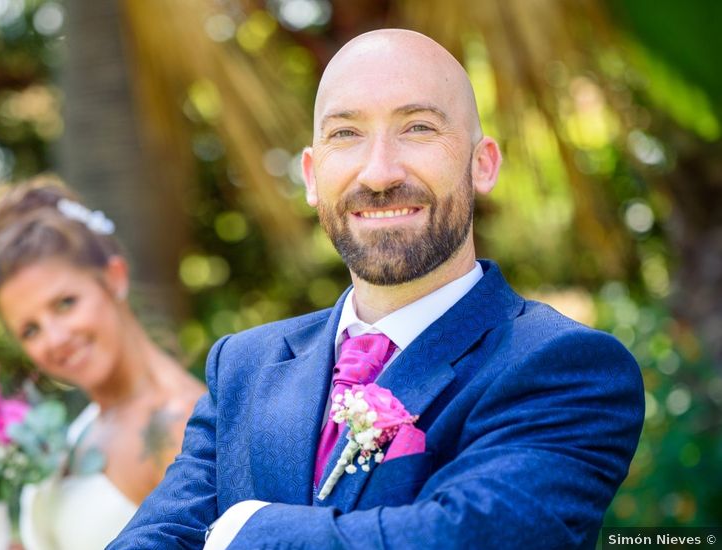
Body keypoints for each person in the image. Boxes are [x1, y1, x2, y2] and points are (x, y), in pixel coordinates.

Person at [108, 29, 645, 550]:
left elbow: (468, 537)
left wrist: (246, 532)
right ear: (313, 177)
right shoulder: (243, 367)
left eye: (418, 128)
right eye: (346, 134)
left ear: (482, 165)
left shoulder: (566, 367)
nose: (380, 172)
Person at [0, 177, 205, 549]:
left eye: (65, 303)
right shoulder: (85, 427)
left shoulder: (180, 427)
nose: (55, 339)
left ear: (114, 278)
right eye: (30, 330)